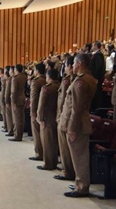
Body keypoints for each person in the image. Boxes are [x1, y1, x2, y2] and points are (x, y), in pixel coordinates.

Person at [61, 54, 98, 198]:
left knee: (79, 156)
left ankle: (82, 187)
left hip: (78, 124)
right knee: (77, 156)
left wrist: (72, 127)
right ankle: (79, 183)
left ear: (80, 63)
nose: (73, 66)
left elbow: (77, 108)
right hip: (80, 122)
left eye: (74, 63)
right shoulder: (86, 78)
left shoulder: (81, 81)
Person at [53, 56, 75, 181]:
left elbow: (67, 102)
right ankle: (66, 170)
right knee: (63, 146)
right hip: (62, 114)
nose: (65, 68)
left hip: (65, 116)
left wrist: (61, 115)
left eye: (66, 66)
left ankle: (68, 171)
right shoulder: (68, 79)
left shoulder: (70, 80)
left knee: (65, 147)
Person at [36, 69, 60, 170]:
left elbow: (41, 105)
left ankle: (48, 163)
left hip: (47, 117)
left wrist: (40, 119)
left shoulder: (46, 88)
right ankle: (54, 161)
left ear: (49, 77)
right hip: (57, 116)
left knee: (47, 142)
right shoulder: (59, 86)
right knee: (54, 141)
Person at [29, 63, 47, 163]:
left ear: (37, 70)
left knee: (36, 133)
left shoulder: (36, 81)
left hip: (37, 110)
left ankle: (39, 153)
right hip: (46, 110)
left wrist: (33, 112)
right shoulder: (46, 79)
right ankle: (43, 153)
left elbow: (34, 98)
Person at [9, 64, 27, 141]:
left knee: (16, 118)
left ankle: (17, 135)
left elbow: (13, 91)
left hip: (16, 99)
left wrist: (12, 102)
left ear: (16, 70)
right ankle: (20, 134)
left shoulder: (15, 78)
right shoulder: (24, 77)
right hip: (22, 98)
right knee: (21, 118)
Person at [89, 41, 106, 111]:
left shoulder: (98, 55)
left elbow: (98, 67)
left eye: (93, 45)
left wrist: (95, 78)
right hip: (95, 78)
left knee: (96, 94)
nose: (92, 47)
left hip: (96, 78)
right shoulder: (97, 54)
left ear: (96, 46)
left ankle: (96, 109)